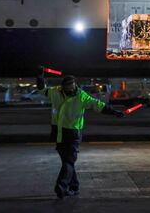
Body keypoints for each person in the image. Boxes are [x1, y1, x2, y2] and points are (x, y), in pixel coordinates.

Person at [37, 67, 124, 199]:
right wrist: (40, 77)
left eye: (71, 87)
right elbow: (42, 89)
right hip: (59, 133)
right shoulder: (55, 92)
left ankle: (61, 187)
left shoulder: (81, 96)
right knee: (68, 162)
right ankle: (74, 186)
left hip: (73, 134)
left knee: (68, 162)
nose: (69, 90)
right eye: (66, 88)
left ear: (74, 85)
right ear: (62, 87)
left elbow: (98, 105)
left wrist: (114, 112)